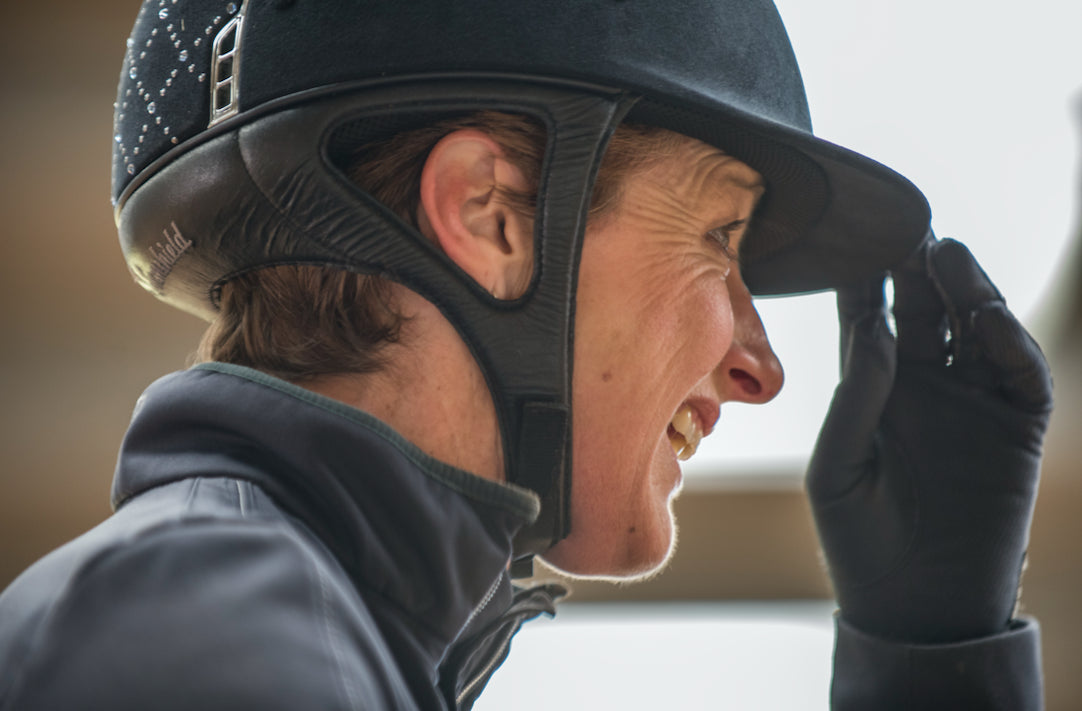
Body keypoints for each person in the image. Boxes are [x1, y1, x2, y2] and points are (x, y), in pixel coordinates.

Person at [0, 1, 1051, 709]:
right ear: (491, 214)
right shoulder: (209, 646)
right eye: (718, 238)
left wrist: (930, 657)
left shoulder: (281, 623)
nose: (759, 369)